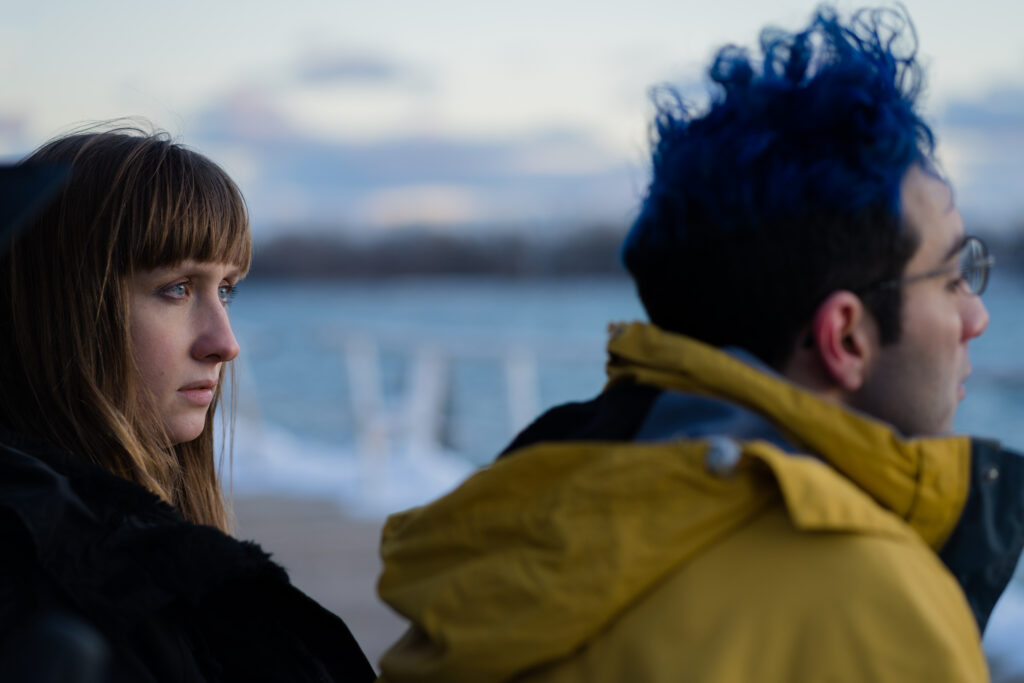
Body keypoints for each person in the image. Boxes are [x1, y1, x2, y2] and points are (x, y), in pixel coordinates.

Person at [375, 7, 1024, 682]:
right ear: (845, 336)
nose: (976, 316)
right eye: (952, 277)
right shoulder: (878, 604)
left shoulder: (521, 524)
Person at [0, 128, 375, 682]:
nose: (224, 343)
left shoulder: (139, 577)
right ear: (58, 311)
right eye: (176, 288)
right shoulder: (48, 611)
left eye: (226, 290)